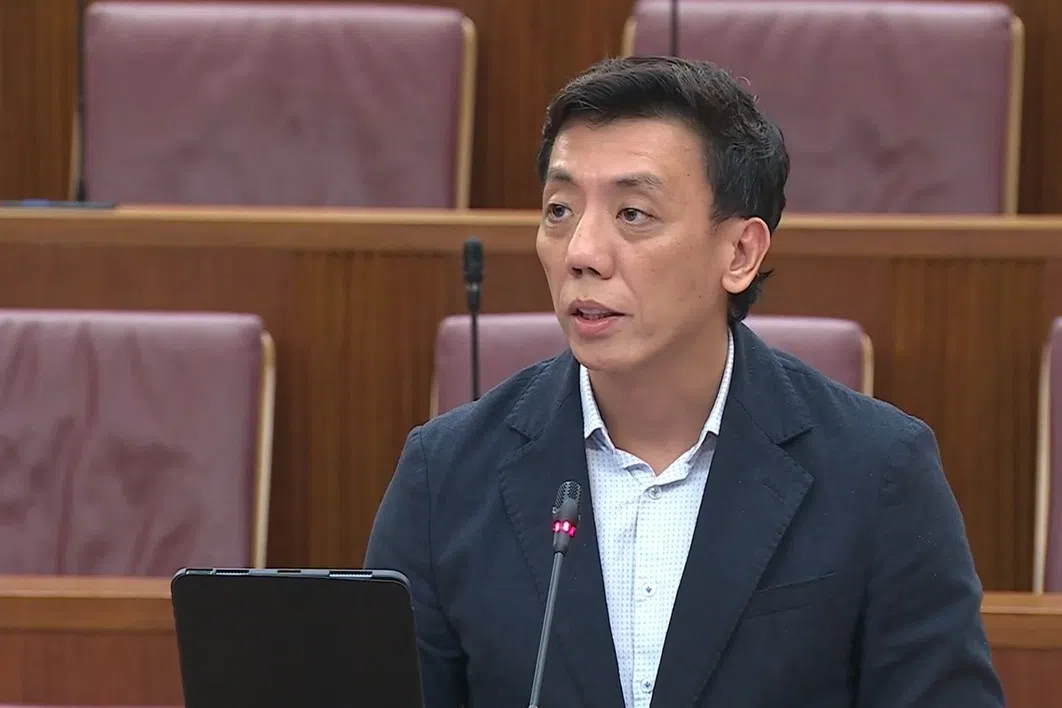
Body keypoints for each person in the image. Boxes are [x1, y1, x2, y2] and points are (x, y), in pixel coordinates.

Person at [365, 56, 1004, 707]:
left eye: (633, 214)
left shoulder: (877, 471)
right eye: (559, 210)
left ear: (741, 253)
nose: (582, 251)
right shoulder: (445, 476)